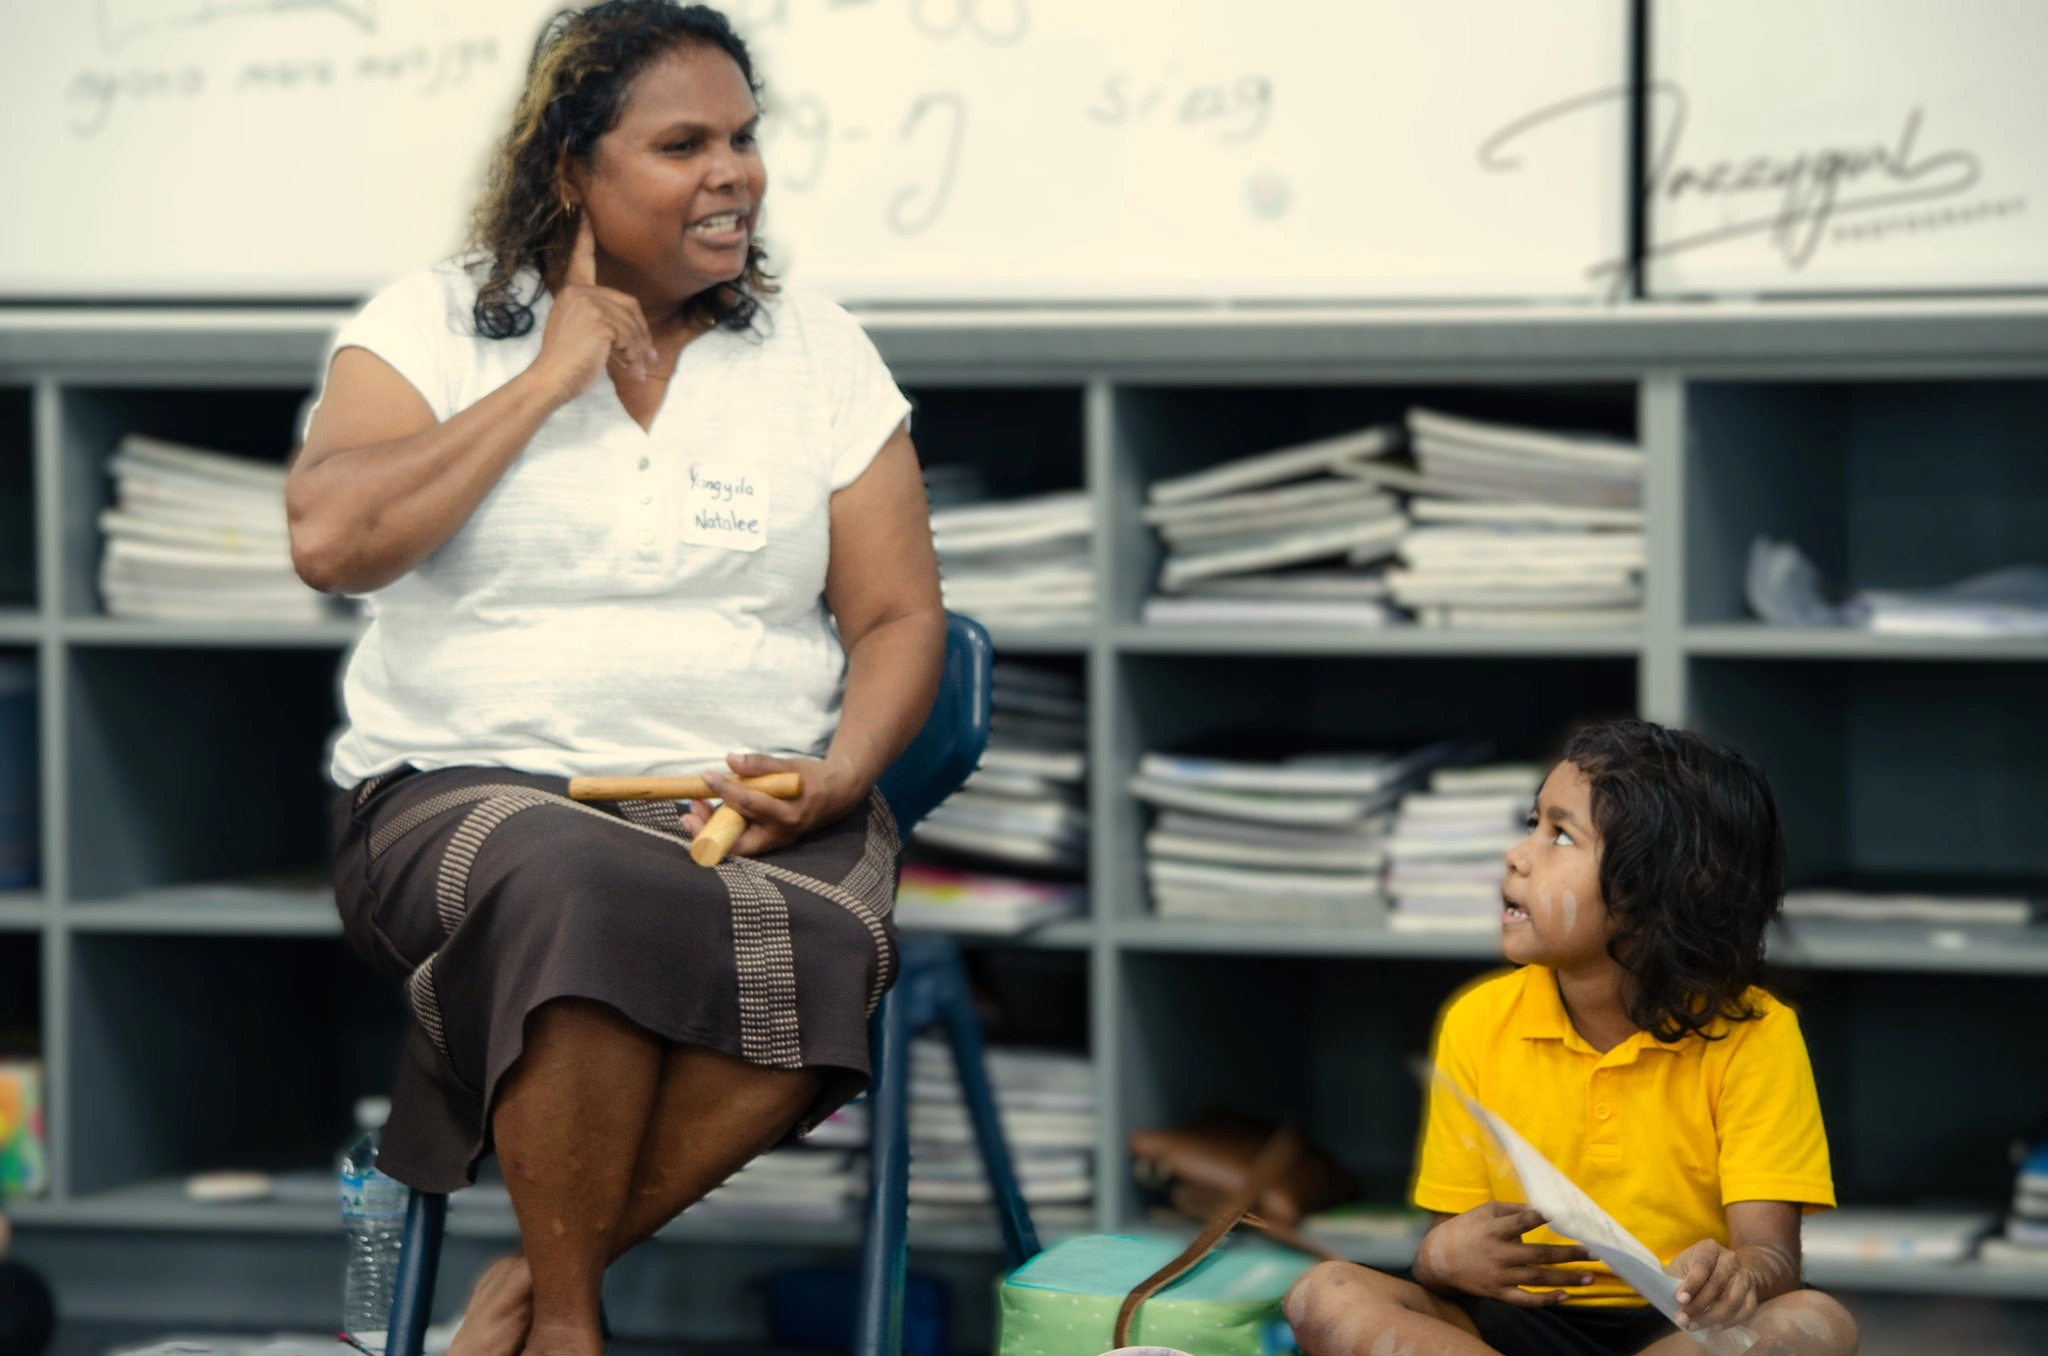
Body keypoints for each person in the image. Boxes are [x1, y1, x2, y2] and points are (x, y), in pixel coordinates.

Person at [285, 4, 944, 1355]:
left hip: (742, 799)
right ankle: (576, 1328)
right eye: (684, 143)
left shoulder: (814, 349)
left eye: (746, 141)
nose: (735, 175)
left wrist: (842, 774)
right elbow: (332, 543)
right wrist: (548, 376)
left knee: (830, 939)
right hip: (465, 793)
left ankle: (522, 1304)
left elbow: (896, 617)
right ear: (571, 168)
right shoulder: (435, 325)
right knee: (576, 888)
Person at [1285, 720, 1860, 1356]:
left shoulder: (1757, 1033)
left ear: (1653, 895)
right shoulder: (1477, 1020)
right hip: (1508, 1326)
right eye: (1533, 822)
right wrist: (1441, 1256)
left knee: (1818, 1321)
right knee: (1324, 1292)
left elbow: (1773, 1258)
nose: (1518, 854)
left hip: (1678, 1331)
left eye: (1560, 834)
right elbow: (1452, 1252)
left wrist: (1736, 1276)